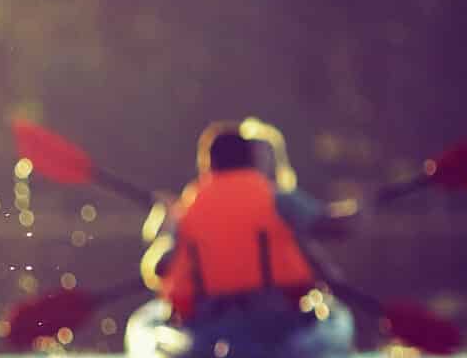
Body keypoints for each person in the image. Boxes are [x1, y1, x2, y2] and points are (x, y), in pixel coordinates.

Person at [140, 120, 327, 319]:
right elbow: (329, 226)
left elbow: (159, 268)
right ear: (250, 160)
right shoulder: (279, 201)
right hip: (276, 315)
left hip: (207, 319)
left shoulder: (188, 208)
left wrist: (169, 225)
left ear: (208, 164)